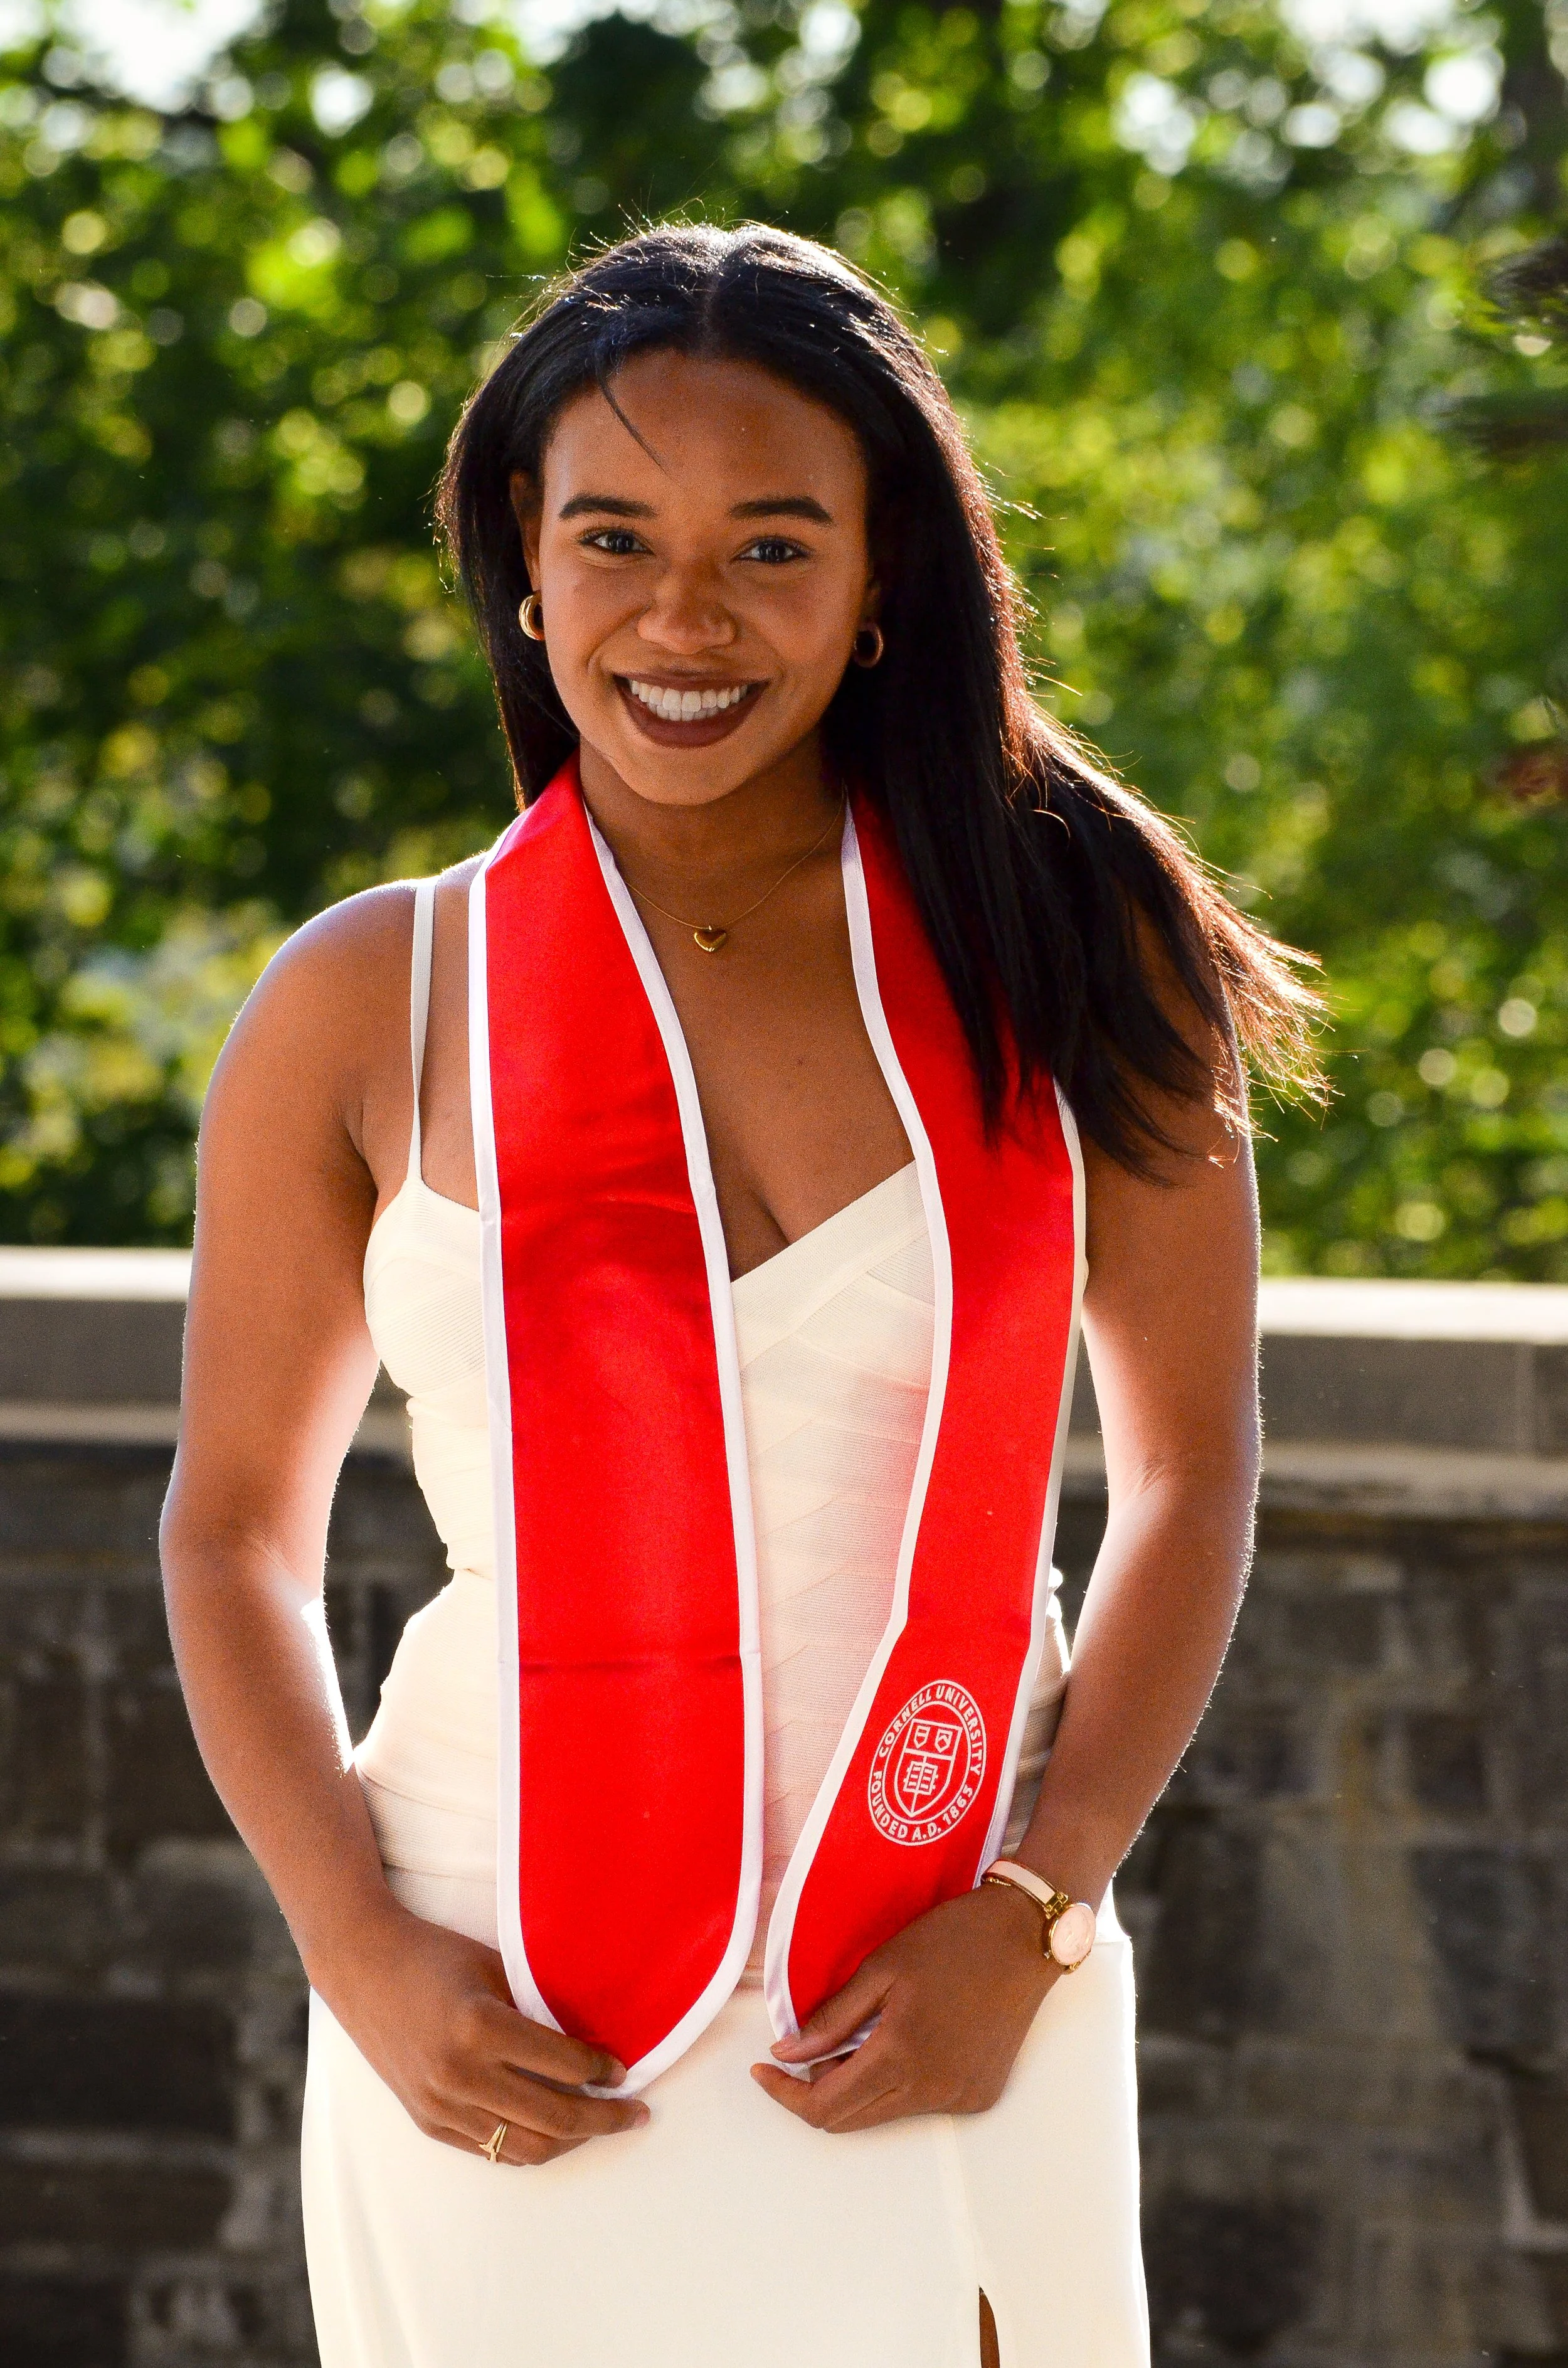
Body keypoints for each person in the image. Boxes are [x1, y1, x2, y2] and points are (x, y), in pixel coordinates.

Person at [161, 223, 1318, 2368]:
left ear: (887, 576)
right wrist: (357, 1945)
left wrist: (1037, 1905)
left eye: (770, 547)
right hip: (504, 1986)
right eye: (615, 535)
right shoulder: (369, 1002)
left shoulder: (1074, 942)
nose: (682, 618)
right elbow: (231, 1526)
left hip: (942, 1947)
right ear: (524, 552)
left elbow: (1183, 1467)